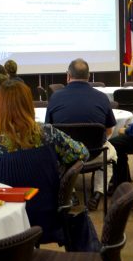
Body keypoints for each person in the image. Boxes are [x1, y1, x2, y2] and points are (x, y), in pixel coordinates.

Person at [0, 80, 89, 245]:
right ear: (28, 104)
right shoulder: (48, 134)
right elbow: (83, 153)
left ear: (0, 108)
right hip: (48, 219)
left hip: (7, 225)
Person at [45, 58, 117, 210]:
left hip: (66, 155)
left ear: (68, 76)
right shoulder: (102, 97)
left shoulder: (56, 97)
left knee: (52, 150)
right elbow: (109, 130)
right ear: (89, 76)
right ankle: (98, 192)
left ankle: (70, 192)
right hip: (94, 153)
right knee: (110, 152)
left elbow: (49, 129)